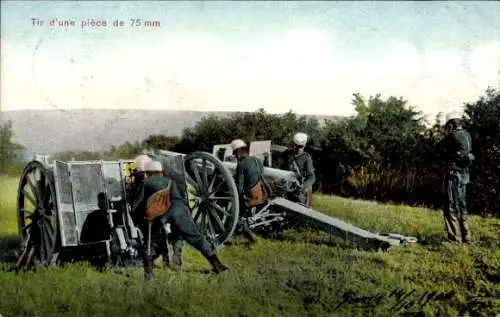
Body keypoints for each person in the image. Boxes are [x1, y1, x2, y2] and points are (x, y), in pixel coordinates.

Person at [131, 156, 229, 279]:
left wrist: (139, 221)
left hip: (160, 218)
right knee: (196, 238)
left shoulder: (145, 183)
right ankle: (217, 265)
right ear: (161, 171)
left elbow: (136, 206)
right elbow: (179, 200)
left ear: (148, 172)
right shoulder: (171, 182)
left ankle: (149, 274)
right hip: (179, 213)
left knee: (151, 242)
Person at [438, 111, 474, 243]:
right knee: (462, 204)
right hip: (465, 174)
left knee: (450, 205)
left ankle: (453, 238)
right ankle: (466, 235)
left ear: (451, 123)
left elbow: (438, 149)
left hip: (453, 174)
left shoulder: (452, 137)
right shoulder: (467, 135)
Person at [231, 139, 272, 242]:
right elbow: (261, 174)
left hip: (251, 198)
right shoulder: (257, 160)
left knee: (236, 207)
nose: (235, 156)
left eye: (235, 153)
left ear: (239, 151)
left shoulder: (241, 165)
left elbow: (239, 188)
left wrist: (231, 196)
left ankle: (239, 228)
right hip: (261, 195)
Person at [280, 132, 316, 207]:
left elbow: (311, 177)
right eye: (297, 146)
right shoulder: (287, 154)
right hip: (286, 186)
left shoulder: (307, 158)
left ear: (304, 145)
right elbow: (280, 167)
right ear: (294, 144)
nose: (299, 148)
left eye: (301, 146)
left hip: (299, 188)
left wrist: (304, 186)